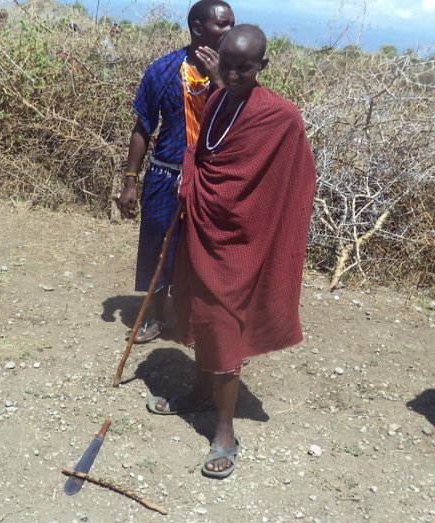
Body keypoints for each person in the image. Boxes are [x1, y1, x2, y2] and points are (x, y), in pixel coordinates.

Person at [146, 25, 317, 480]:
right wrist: (190, 178)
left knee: (224, 326)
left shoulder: (281, 116)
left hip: (240, 240)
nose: (236, 74)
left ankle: (225, 432)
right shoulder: (219, 98)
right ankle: (200, 393)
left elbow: (283, 183)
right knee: (198, 316)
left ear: (263, 65)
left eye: (246, 67)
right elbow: (203, 155)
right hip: (203, 228)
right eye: (228, 64)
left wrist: (204, 191)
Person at [115, 0, 234, 344]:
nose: (229, 31)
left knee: (202, 255)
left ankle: (196, 321)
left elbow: (246, 121)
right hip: (165, 177)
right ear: (198, 29)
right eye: (222, 24)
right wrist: (129, 182)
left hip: (212, 182)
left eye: (232, 24)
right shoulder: (164, 71)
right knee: (158, 248)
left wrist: (220, 82)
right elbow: (143, 127)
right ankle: (156, 318)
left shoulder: (235, 76)